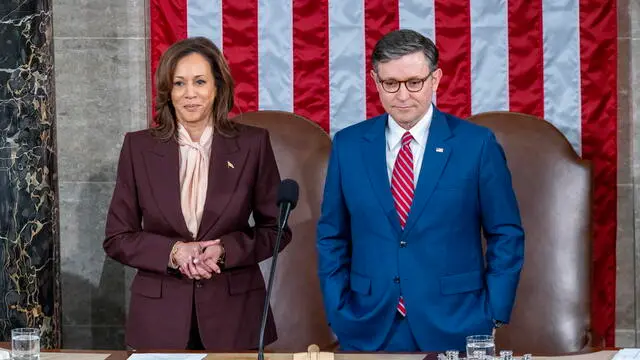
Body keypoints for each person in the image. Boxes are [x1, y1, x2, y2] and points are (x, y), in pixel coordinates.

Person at [316, 29, 525, 352]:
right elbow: (332, 235)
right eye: (391, 84)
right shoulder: (348, 145)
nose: (403, 96)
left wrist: (493, 312)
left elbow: (506, 233)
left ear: (435, 79)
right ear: (375, 81)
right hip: (367, 325)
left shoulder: (476, 144)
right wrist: (338, 308)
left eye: (414, 82)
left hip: (457, 322)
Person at [103, 36, 291, 351]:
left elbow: (277, 229)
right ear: (168, 91)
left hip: (234, 317)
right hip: (159, 319)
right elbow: (117, 237)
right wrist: (172, 252)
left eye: (200, 81)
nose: (190, 93)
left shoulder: (252, 144)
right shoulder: (139, 148)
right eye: (179, 83)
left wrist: (226, 250)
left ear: (217, 87)